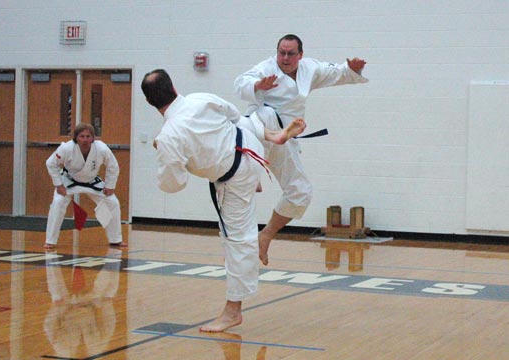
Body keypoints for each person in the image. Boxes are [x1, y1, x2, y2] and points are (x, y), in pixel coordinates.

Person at [140, 69, 304, 333]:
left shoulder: (168, 136)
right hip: (252, 148)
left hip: (236, 178)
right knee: (243, 120)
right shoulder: (200, 98)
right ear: (173, 88)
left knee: (236, 240)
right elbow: (234, 116)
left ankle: (232, 311)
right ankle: (274, 136)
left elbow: (174, 184)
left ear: (150, 102)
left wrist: (165, 152)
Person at [234, 33, 368, 266]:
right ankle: (253, 168)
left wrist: (352, 69)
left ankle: (265, 235)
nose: (284, 58)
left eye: (290, 53)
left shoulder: (309, 69)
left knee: (300, 193)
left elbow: (336, 73)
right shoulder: (266, 68)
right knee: (264, 115)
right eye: (281, 53)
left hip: (287, 137)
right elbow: (240, 83)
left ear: (300, 55)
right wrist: (257, 85)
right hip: (260, 130)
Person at [44, 123, 126, 249]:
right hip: (69, 181)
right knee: (58, 202)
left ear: (93, 138)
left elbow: (113, 166)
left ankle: (115, 239)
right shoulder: (66, 148)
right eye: (82, 136)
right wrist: (58, 184)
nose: (85, 140)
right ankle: (50, 241)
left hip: (92, 181)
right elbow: (51, 163)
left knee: (112, 202)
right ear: (76, 137)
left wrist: (110, 185)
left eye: (88, 136)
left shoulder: (102, 148)